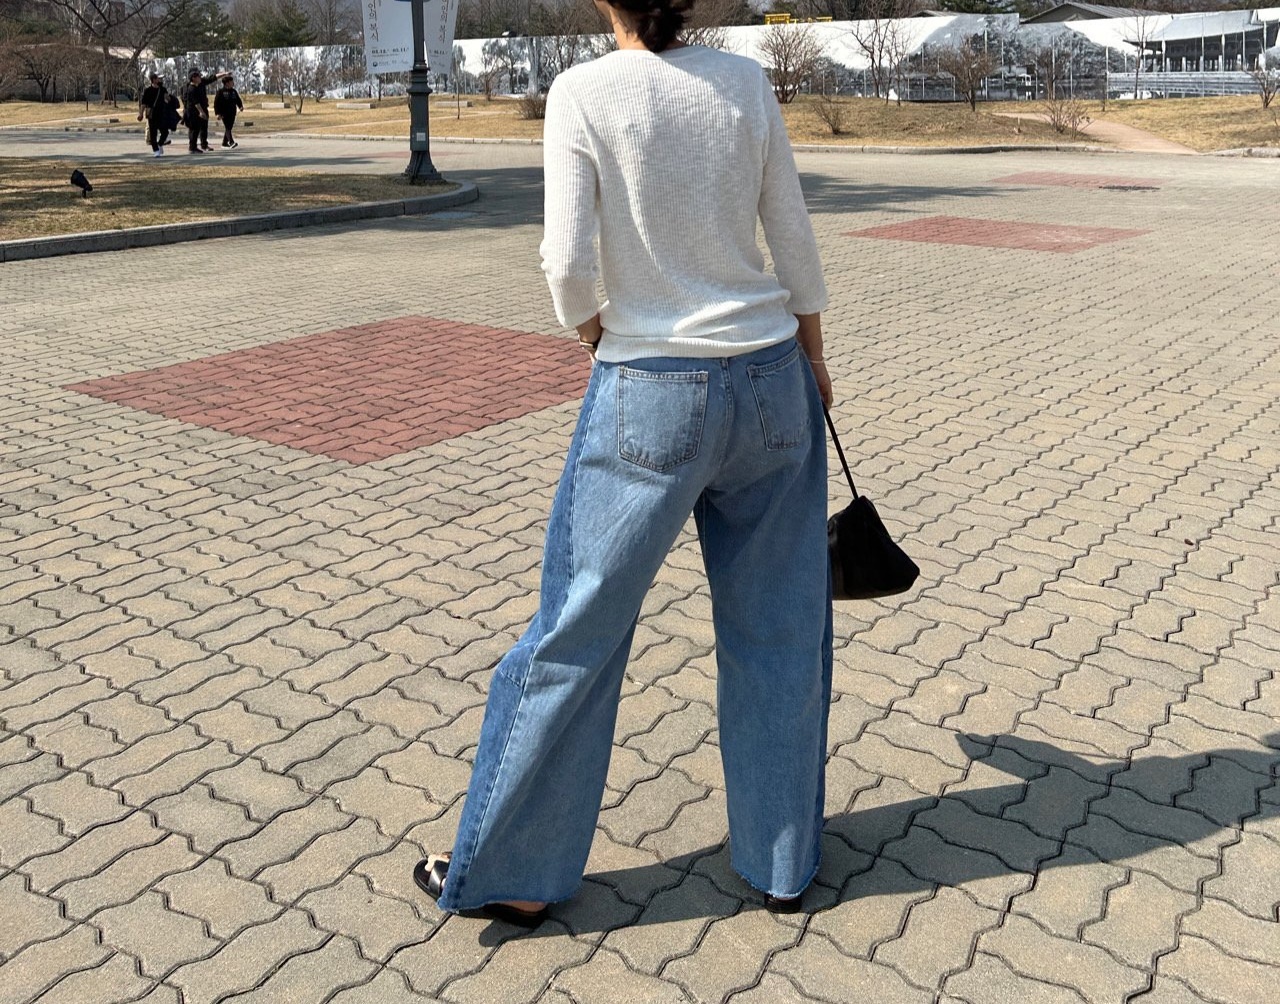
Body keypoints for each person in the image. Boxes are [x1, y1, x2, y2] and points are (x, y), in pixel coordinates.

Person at [414, 0, 833, 928]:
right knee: (781, 628)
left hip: (649, 384)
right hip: (770, 375)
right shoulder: (745, 82)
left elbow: (567, 261)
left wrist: (595, 332)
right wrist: (811, 352)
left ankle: (518, 869)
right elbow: (791, 231)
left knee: (579, 628)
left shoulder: (584, 91)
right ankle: (781, 863)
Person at [136, 73, 171, 157]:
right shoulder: (147, 90)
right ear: (154, 80)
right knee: (153, 133)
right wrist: (141, 114)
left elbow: (168, 99)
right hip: (152, 114)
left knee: (165, 131)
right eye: (158, 78)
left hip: (161, 114)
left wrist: (168, 97)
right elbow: (143, 104)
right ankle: (156, 150)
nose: (159, 80)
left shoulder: (162, 89)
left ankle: (160, 144)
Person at [182, 69, 210, 153]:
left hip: (195, 112)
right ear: (193, 78)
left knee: (196, 129)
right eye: (198, 76)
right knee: (194, 130)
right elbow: (196, 103)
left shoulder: (196, 87)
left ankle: (193, 147)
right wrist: (201, 112)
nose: (200, 78)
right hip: (192, 112)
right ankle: (192, 147)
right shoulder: (191, 89)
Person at [214, 74, 244, 148]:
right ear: (227, 83)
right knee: (228, 127)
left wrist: (240, 106)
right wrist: (217, 113)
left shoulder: (234, 91)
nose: (233, 83)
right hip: (224, 113)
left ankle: (224, 143)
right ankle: (231, 142)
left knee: (229, 127)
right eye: (231, 82)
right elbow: (216, 103)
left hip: (232, 113)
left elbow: (238, 100)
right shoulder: (220, 92)